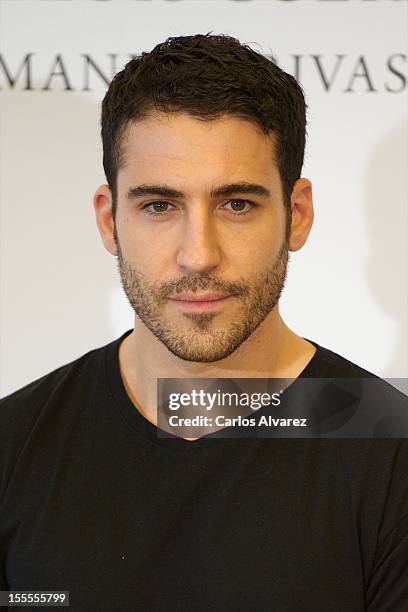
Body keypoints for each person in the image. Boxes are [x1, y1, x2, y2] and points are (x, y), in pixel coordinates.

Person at [0, 33, 407, 611]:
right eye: (159, 206)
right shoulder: (14, 445)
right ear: (110, 222)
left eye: (236, 204)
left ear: (297, 215)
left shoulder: (392, 451)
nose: (198, 254)